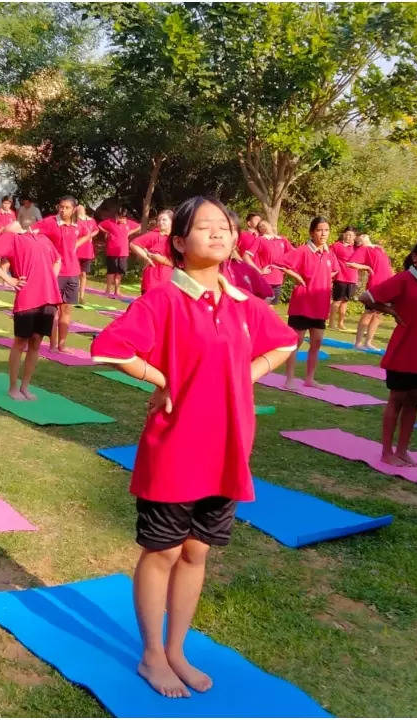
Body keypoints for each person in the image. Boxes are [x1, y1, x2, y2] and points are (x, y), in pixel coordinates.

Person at [90, 196, 297, 699]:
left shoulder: (245, 303)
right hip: (175, 447)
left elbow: (285, 342)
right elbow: (108, 348)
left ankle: (178, 648)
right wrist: (160, 377)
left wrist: (247, 376)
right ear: (180, 243)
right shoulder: (163, 299)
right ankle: (152, 655)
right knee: (162, 551)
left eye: (224, 226)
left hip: (228, 447)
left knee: (197, 551)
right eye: (205, 228)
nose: (219, 233)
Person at [359, 238, 417, 467]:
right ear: (415, 256)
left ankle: (403, 450)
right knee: (397, 399)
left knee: (415, 401)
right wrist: (391, 311)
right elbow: (366, 297)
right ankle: (387, 452)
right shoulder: (404, 279)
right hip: (404, 349)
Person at [0, 221, 62, 400]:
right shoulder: (13, 238)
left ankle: (25, 386)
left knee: (36, 342)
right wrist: (10, 280)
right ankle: (13, 387)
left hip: (48, 297)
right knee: (21, 341)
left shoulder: (44, 239)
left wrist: (51, 277)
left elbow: (58, 259)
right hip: (27, 297)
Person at [280, 216, 338, 389]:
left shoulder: (329, 253)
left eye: (326, 230)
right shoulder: (303, 250)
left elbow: (335, 270)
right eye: (320, 230)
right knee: (295, 342)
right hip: (302, 303)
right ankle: (289, 379)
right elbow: (282, 263)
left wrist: (325, 278)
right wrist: (297, 276)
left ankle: (309, 379)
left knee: (317, 342)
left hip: (320, 304)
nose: (323, 233)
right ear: (312, 232)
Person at [33, 196, 84, 350]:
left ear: (74, 209)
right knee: (53, 310)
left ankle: (62, 344)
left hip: (73, 272)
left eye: (67, 207)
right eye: (61, 207)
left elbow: (87, 234)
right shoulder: (50, 222)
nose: (63, 210)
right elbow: (32, 233)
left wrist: (74, 247)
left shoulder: (77, 225)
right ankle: (52, 345)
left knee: (66, 309)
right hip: (55, 272)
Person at [353, 234, 394, 350]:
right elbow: (350, 263)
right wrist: (367, 268)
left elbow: (387, 265)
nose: (363, 235)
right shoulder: (363, 249)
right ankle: (358, 343)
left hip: (386, 284)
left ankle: (368, 342)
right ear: (359, 242)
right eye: (360, 236)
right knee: (369, 313)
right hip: (375, 284)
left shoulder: (378, 248)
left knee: (378, 315)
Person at [130, 210, 175, 295]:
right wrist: (146, 257)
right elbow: (133, 244)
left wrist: (162, 260)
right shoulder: (154, 235)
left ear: (172, 222)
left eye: (164, 220)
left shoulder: (177, 239)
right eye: (159, 220)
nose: (160, 222)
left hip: (169, 280)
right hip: (152, 279)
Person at [246, 220, 291, 303]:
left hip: (278, 280)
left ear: (270, 225)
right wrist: (259, 271)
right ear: (259, 230)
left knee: (271, 308)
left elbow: (293, 254)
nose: (263, 226)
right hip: (265, 280)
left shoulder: (282, 240)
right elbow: (246, 256)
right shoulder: (260, 240)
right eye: (260, 226)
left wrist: (287, 268)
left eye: (264, 224)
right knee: (265, 308)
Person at [99, 207, 140, 298]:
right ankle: (107, 290)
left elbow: (139, 226)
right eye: (120, 217)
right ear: (116, 216)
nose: (122, 219)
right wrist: (107, 232)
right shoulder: (110, 222)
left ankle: (117, 291)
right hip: (111, 251)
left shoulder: (129, 223)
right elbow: (100, 225)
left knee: (120, 271)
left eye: (124, 218)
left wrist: (129, 232)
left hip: (123, 252)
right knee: (111, 272)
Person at [329, 227, 362, 331]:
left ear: (354, 237)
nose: (349, 237)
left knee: (345, 302)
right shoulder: (336, 246)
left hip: (352, 278)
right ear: (343, 235)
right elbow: (328, 255)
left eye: (351, 235)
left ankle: (341, 323)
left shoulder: (357, 248)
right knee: (337, 301)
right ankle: (331, 322)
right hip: (340, 277)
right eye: (347, 234)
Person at [75, 203, 99, 301]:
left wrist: (90, 236)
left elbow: (96, 230)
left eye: (81, 209)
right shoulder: (75, 220)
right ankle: (73, 294)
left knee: (83, 273)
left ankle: (81, 296)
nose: (80, 210)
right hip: (76, 249)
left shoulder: (91, 220)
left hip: (87, 250)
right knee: (74, 273)